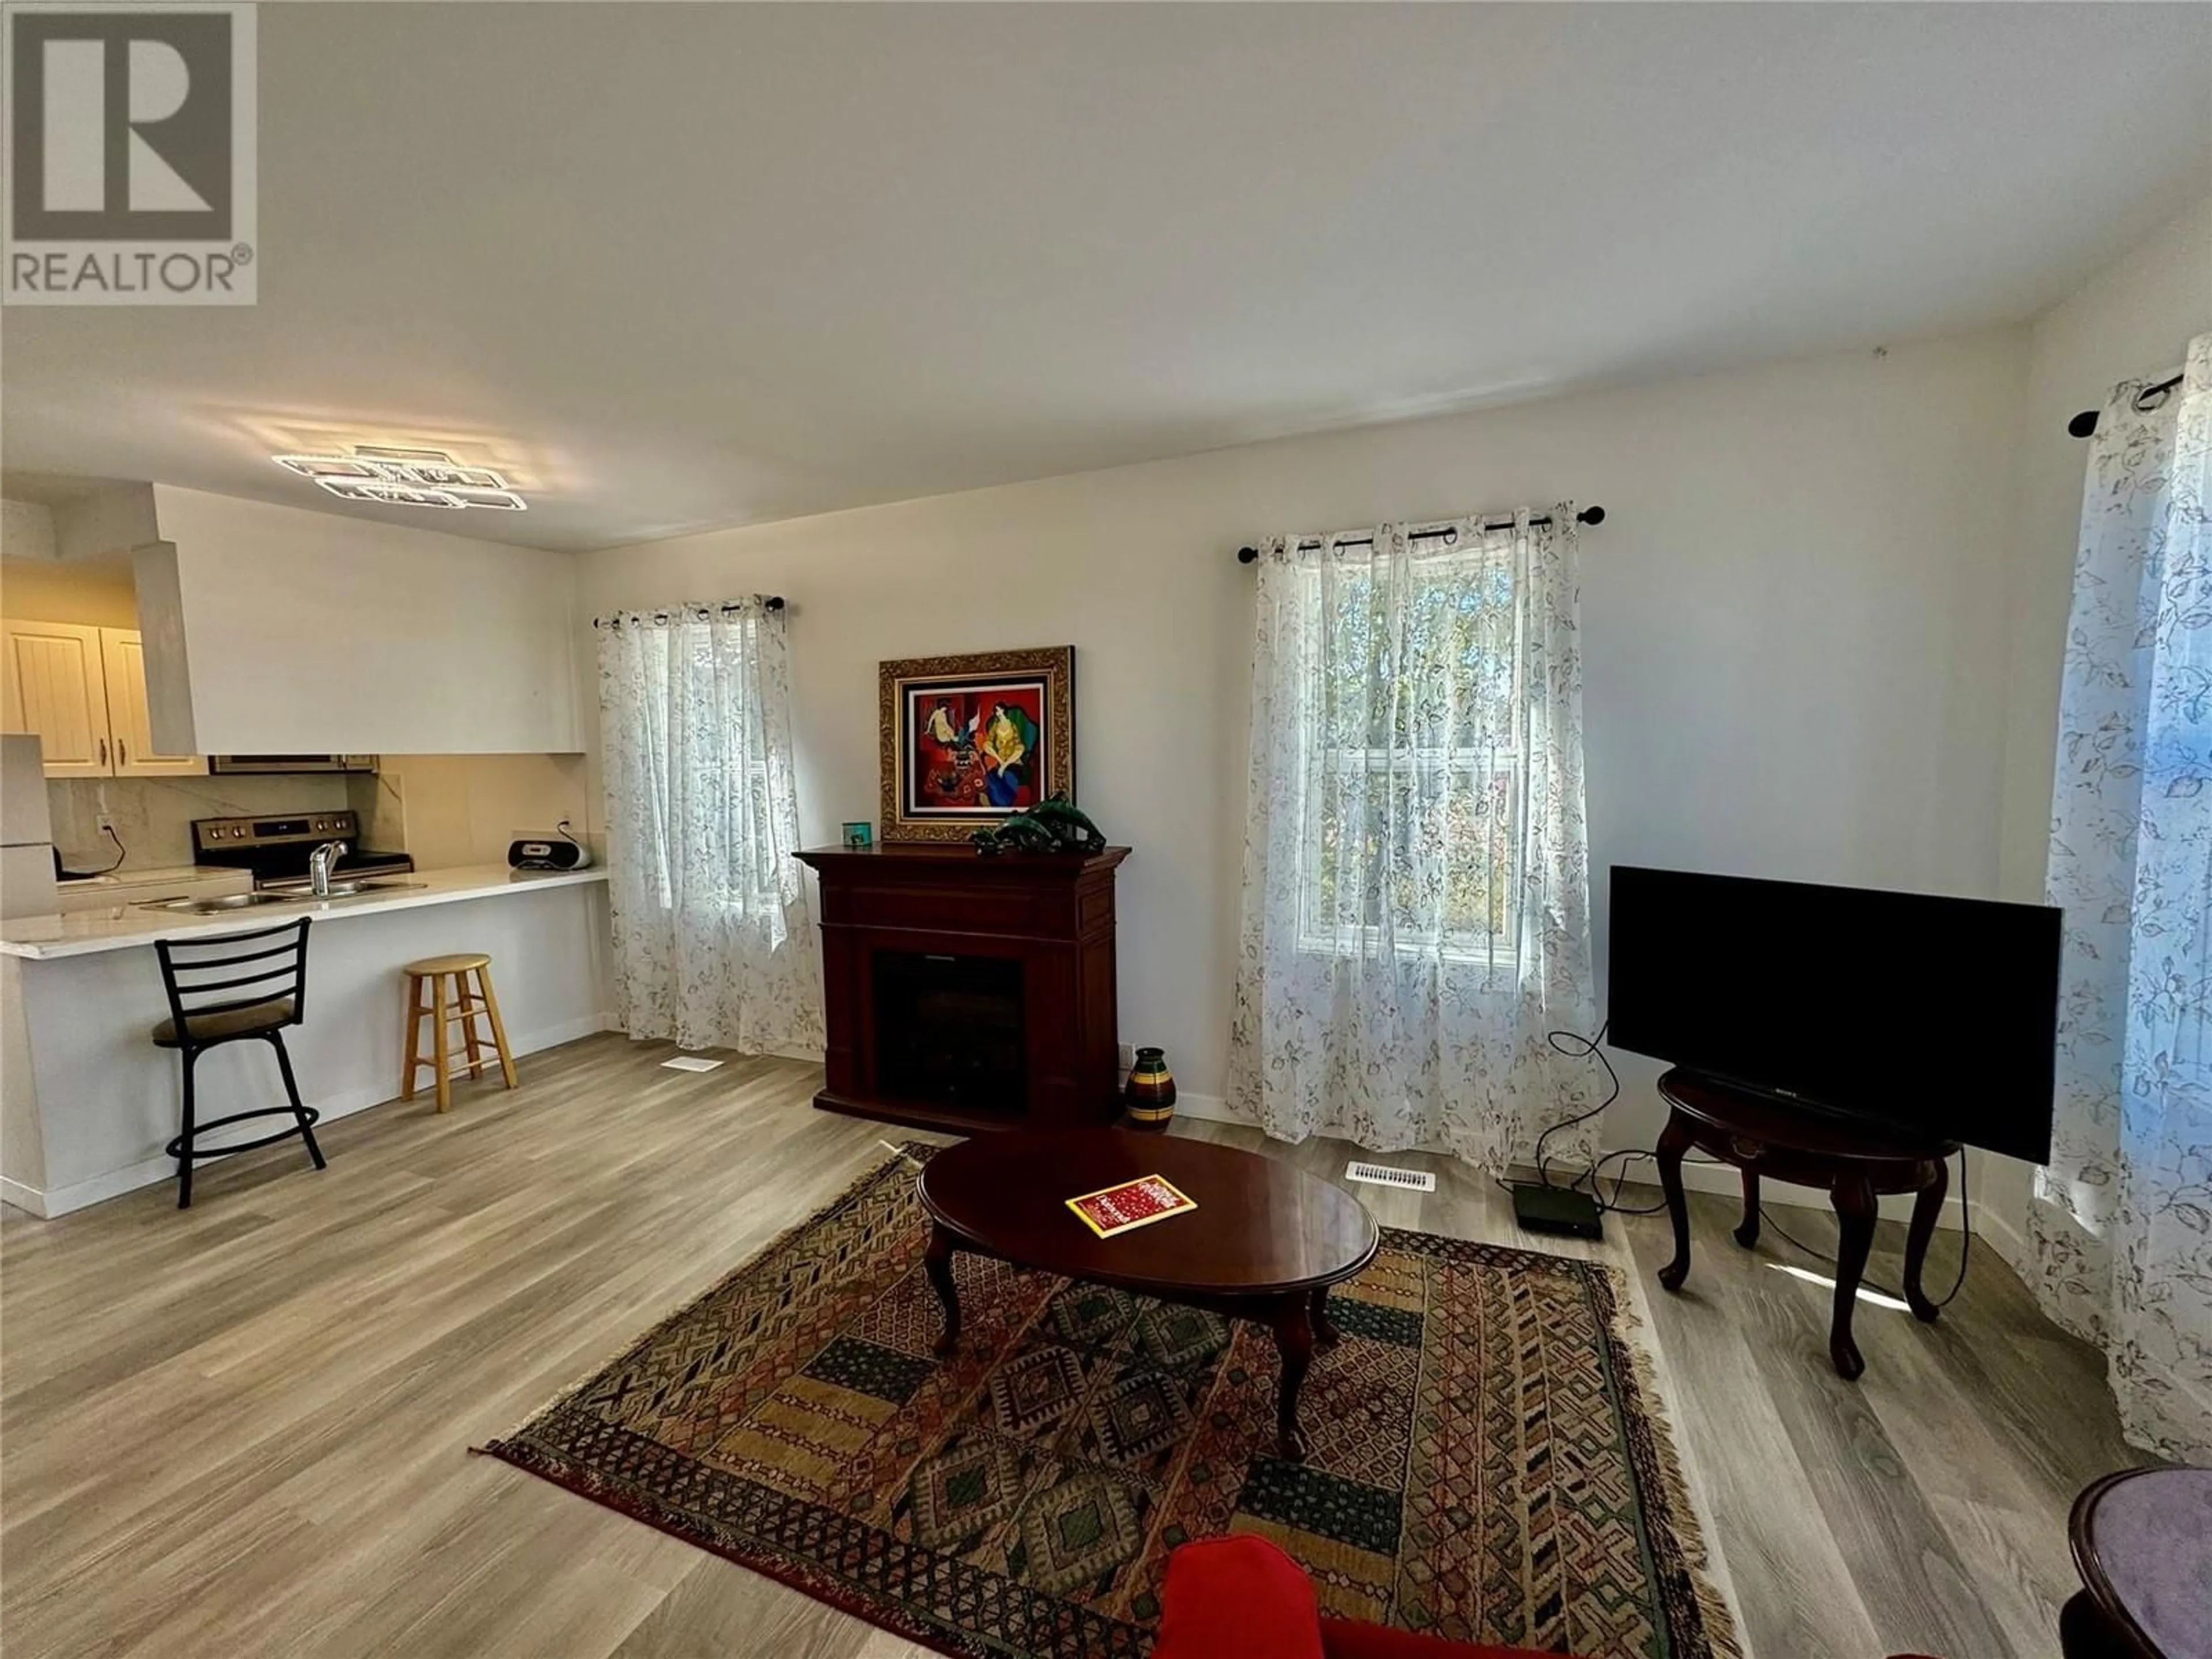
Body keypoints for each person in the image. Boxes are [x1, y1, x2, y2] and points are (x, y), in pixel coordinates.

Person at [978, 700, 1037, 808]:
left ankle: (1001, 805)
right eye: (995, 711)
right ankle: (997, 806)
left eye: (998, 710)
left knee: (1008, 776)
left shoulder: (1012, 726)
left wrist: (1005, 765)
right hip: (1000, 761)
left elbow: (1019, 745)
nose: (996, 713)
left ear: (1003, 710)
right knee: (990, 777)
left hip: (1013, 762)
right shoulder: (995, 726)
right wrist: (1000, 762)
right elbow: (989, 742)